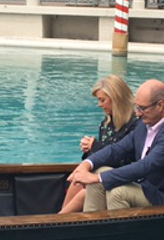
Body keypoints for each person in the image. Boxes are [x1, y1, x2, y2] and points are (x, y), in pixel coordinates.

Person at [68, 79, 164, 211]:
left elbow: (146, 166)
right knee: (99, 171)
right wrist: (87, 164)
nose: (137, 113)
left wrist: (96, 178)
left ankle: (119, 231)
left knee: (117, 192)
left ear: (160, 105)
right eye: (137, 107)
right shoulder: (145, 124)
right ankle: (92, 224)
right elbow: (117, 149)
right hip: (147, 187)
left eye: (142, 108)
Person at [59, 75, 139, 214]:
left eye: (102, 100)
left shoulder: (137, 125)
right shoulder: (106, 124)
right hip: (103, 175)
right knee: (77, 182)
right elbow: (101, 156)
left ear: (116, 99)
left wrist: (95, 146)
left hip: (125, 176)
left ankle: (59, 219)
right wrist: (89, 150)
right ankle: (59, 218)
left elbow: (126, 158)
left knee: (84, 193)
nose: (99, 104)